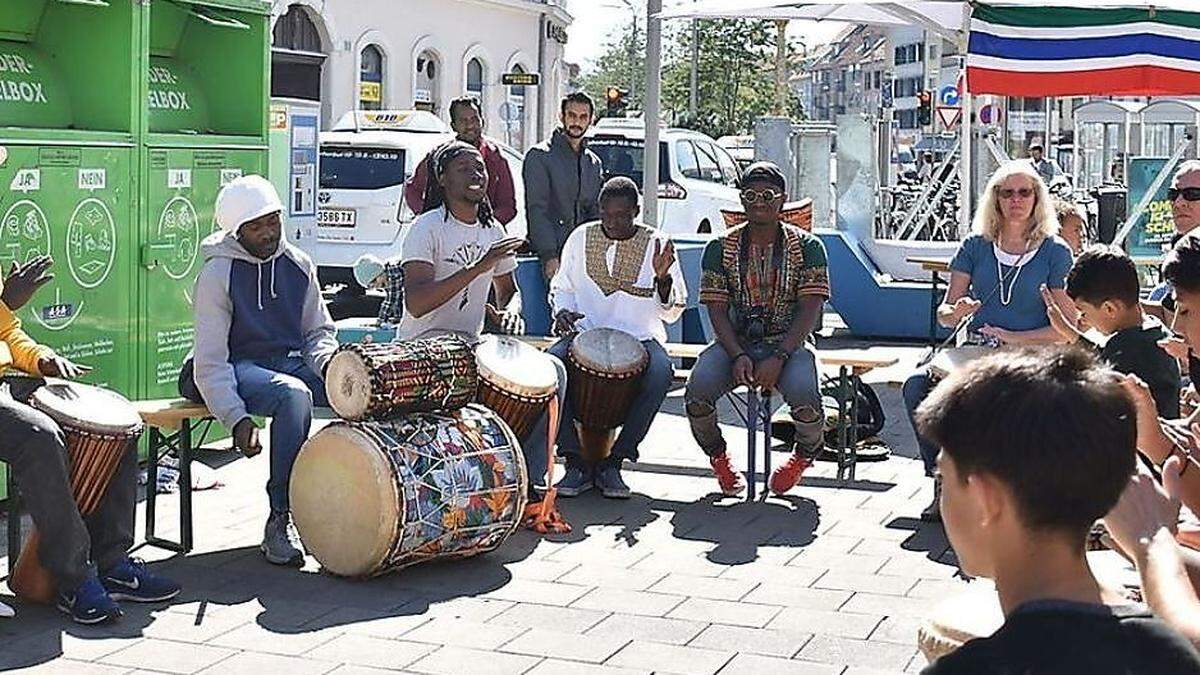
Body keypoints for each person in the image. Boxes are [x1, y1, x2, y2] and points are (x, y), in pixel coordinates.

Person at [915, 346, 1200, 674]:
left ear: (986, 498)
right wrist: (1152, 542)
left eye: (943, 477)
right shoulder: (1170, 654)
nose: (942, 492)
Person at [398, 141, 568, 510]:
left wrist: (504, 311)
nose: (477, 175)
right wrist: (479, 267)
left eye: (480, 169)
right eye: (464, 169)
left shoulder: (493, 230)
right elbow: (417, 301)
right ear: (442, 179)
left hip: (470, 343)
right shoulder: (425, 228)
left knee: (554, 371)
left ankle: (529, 476)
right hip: (423, 348)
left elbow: (508, 291)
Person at [903, 161, 1074, 522]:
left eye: (1024, 192)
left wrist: (1016, 337)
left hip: (1034, 357)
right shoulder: (975, 246)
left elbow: (1068, 328)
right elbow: (945, 313)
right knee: (916, 387)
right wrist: (957, 309)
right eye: (1006, 192)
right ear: (994, 199)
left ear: (1037, 198)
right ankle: (943, 483)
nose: (1015, 200)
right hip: (978, 353)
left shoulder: (1055, 252)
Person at [0, 292, 180, 623]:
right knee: (38, 438)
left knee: (118, 423)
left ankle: (111, 562)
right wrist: (7, 300)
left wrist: (41, 358)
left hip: (6, 382)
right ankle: (74, 579)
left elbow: (8, 332)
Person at [191, 175, 338, 567]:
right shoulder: (218, 275)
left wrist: (331, 367)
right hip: (242, 367)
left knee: (360, 388)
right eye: (256, 227)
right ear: (237, 232)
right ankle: (279, 517)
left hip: (291, 361)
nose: (268, 232)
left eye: (272, 221)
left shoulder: (298, 264)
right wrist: (235, 418)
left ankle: (360, 508)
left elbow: (318, 332)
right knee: (293, 395)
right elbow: (210, 361)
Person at [685, 162, 829, 496]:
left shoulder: (808, 247)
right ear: (741, 199)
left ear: (783, 199)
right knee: (697, 393)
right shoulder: (719, 248)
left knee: (807, 398)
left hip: (789, 344)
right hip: (733, 343)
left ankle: (804, 455)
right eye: (750, 195)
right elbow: (716, 309)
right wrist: (736, 354)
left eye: (768, 195)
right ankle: (718, 457)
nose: (759, 202)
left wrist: (779, 356)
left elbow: (811, 307)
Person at [547, 177, 687, 498]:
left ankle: (617, 461)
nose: (614, 223)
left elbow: (673, 309)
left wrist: (663, 278)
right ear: (599, 210)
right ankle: (573, 461)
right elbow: (563, 287)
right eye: (607, 215)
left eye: (623, 216)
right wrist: (563, 312)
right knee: (552, 366)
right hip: (586, 331)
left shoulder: (658, 243)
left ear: (637, 211)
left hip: (642, 337)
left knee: (662, 372)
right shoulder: (581, 237)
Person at [1042, 246, 1180, 418]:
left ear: (1110, 308)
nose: (1082, 320)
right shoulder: (1153, 330)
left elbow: (1101, 365)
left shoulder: (1128, 348)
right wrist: (1069, 332)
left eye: (1083, 312)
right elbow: (1105, 354)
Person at [523, 92, 604, 282]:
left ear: (591, 120)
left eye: (583, 117)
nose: (577, 122)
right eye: (572, 115)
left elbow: (595, 211)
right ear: (562, 116)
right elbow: (537, 210)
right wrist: (549, 255)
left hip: (585, 255)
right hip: (553, 254)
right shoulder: (539, 156)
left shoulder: (592, 162)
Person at [404, 96, 517, 226]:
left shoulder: (495, 157)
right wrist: (429, 219)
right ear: (453, 126)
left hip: (485, 239)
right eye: (463, 121)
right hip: (444, 237)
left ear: (482, 122)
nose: (470, 125)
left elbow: (508, 207)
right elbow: (412, 190)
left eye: (474, 119)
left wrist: (483, 225)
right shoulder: (439, 156)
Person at [352, 253, 404, 326]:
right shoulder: (385, 276)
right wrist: (397, 319)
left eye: (373, 282)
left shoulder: (393, 272)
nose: (376, 287)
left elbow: (391, 300)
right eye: (370, 286)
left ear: (379, 272)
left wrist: (380, 321)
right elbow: (397, 300)